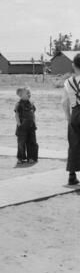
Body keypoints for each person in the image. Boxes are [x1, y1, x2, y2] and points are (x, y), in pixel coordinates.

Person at [61, 53, 80, 185]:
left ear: (74, 65)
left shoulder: (68, 82)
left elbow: (64, 102)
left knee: (74, 144)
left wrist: (69, 118)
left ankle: (72, 176)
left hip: (76, 113)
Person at [14, 87, 38, 164]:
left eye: (29, 92)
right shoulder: (18, 104)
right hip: (22, 126)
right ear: (20, 95)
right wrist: (19, 124)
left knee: (32, 142)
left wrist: (35, 123)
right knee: (21, 143)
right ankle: (20, 158)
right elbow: (17, 115)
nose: (28, 93)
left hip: (31, 126)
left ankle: (31, 157)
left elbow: (33, 114)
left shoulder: (31, 103)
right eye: (26, 92)